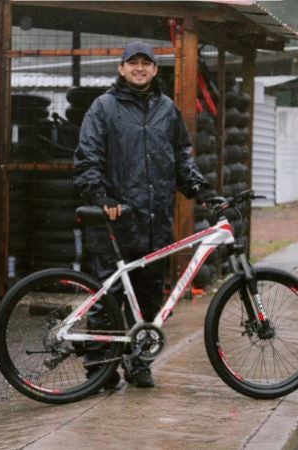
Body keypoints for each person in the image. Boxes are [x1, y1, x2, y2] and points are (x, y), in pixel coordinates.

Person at [73, 42, 214, 389]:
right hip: (116, 221)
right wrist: (102, 195)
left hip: (155, 222)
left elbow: (182, 156)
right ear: (120, 69)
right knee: (108, 299)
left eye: (145, 63)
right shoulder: (103, 108)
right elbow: (87, 157)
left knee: (150, 297)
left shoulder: (167, 110)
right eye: (132, 63)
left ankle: (139, 364)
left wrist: (201, 190)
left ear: (154, 70)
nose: (139, 68)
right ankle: (100, 371)